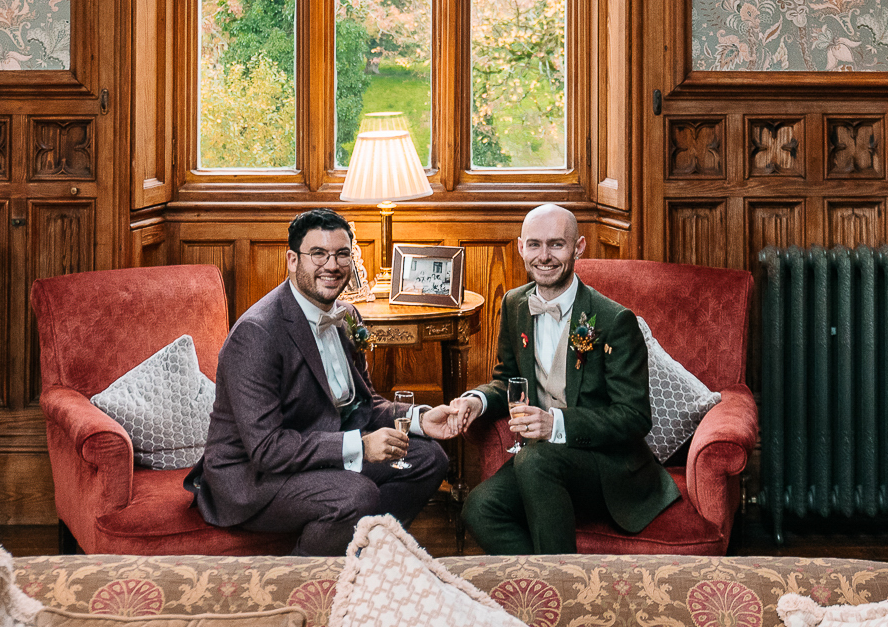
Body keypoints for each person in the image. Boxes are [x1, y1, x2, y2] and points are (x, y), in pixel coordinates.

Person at [185, 208, 465, 555]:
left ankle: (368, 554)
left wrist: (421, 419)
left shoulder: (347, 315)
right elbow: (267, 450)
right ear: (292, 260)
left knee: (429, 458)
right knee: (356, 494)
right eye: (318, 253)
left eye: (342, 253)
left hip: (315, 452)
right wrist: (361, 447)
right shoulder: (257, 334)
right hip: (253, 477)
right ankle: (303, 578)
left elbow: (366, 404)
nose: (332, 265)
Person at [450, 204, 679, 554]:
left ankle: (560, 591)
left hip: (606, 467)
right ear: (520, 247)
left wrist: (554, 423)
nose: (544, 256)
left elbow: (634, 417)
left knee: (534, 460)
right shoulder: (514, 304)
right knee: (480, 509)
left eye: (556, 245)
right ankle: (545, 590)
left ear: (578, 248)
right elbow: (507, 381)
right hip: (542, 462)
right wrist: (476, 400)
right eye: (535, 245)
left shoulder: (614, 320)